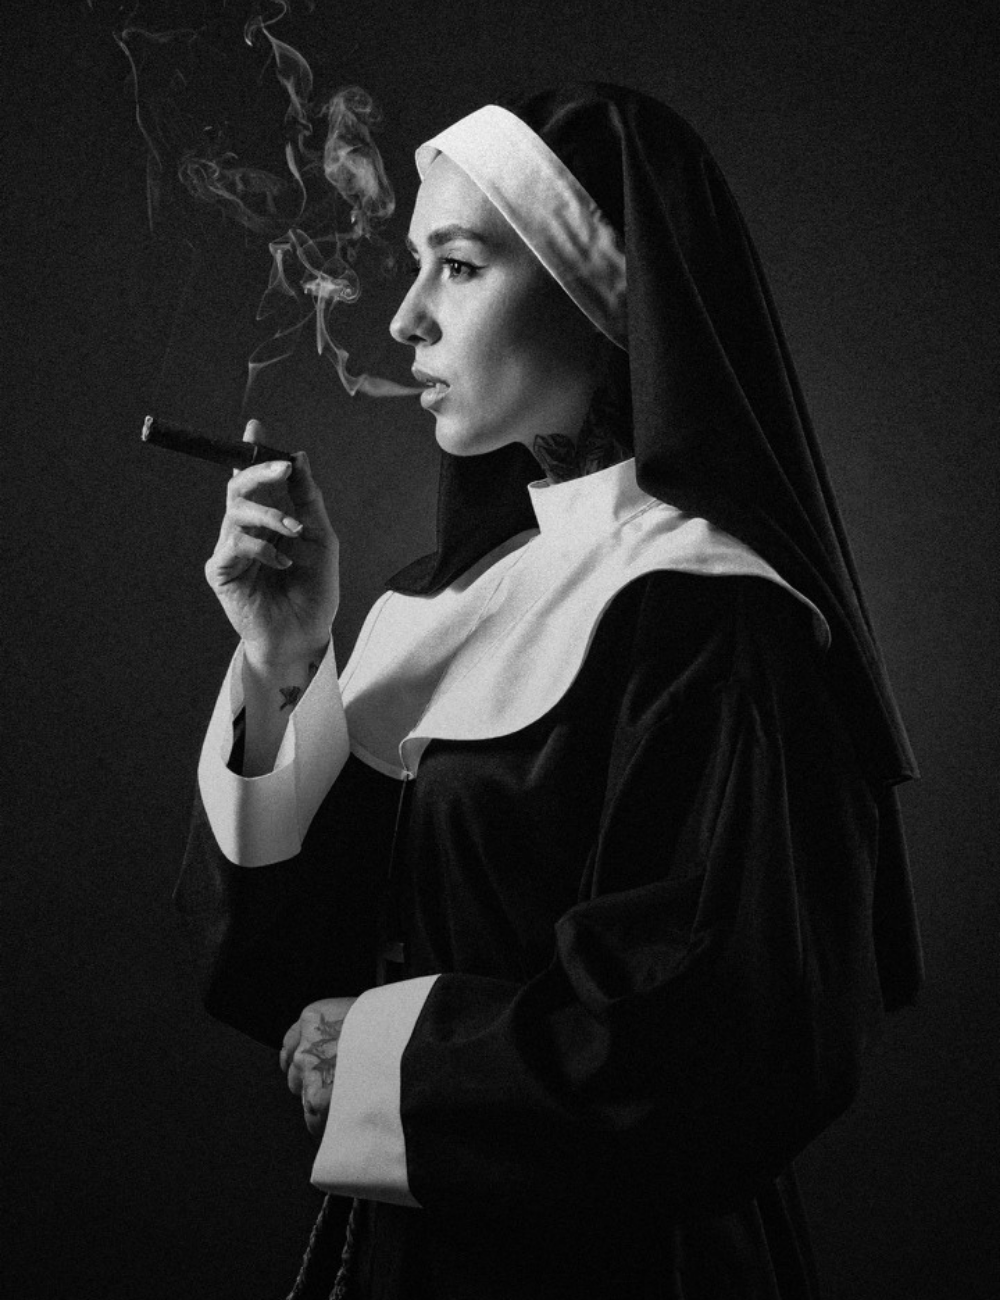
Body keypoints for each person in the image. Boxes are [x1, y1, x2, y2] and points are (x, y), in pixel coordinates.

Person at [175, 84, 923, 1299]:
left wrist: (385, 1055)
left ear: (605, 297)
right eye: (415, 265)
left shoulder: (714, 621)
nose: (407, 319)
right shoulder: (444, 595)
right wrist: (283, 661)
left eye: (458, 267)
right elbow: (280, 965)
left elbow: (733, 1041)